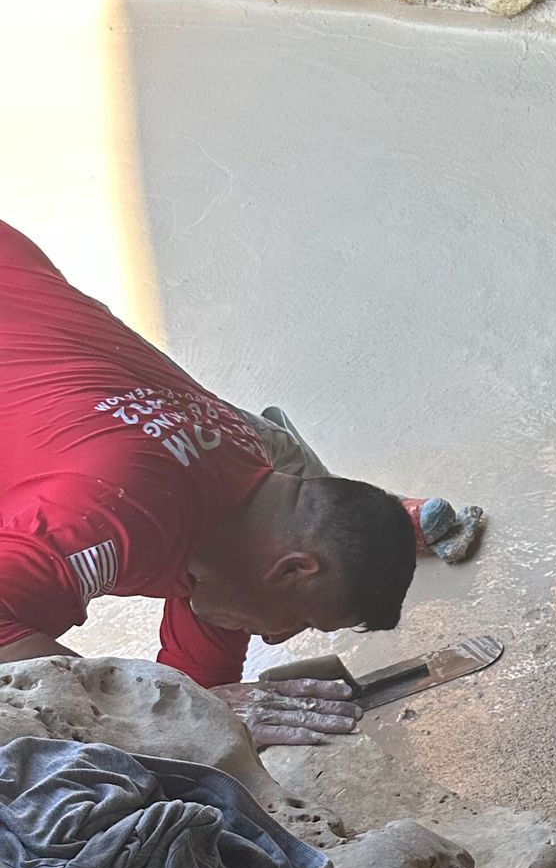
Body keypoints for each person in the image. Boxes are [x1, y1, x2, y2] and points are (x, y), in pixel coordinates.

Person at [0, 221, 452, 747]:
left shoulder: (238, 523)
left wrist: (197, 708)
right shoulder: (110, 512)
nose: (277, 636)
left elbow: (200, 690)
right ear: (293, 567)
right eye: (304, 617)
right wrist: (155, 716)